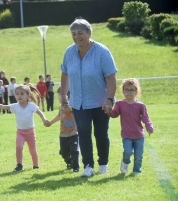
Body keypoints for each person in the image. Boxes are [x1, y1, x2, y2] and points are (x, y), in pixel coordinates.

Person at [60, 18, 118, 177]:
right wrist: (63, 93)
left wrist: (109, 99)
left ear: (89, 33)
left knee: (101, 134)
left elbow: (111, 78)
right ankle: (88, 166)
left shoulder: (102, 52)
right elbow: (65, 72)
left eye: (80, 33)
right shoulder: (69, 52)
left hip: (101, 102)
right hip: (78, 103)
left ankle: (103, 164)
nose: (77, 36)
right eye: (73, 33)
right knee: (83, 132)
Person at [0, 84, 47, 172]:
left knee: (32, 150)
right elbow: (3, 107)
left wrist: (44, 120)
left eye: (21, 93)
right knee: (19, 147)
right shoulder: (15, 106)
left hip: (30, 132)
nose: (19, 96)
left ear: (28, 96)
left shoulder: (31, 106)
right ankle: (19, 164)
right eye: (17, 93)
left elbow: (40, 113)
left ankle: (36, 165)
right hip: (20, 132)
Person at [107, 78, 153, 175]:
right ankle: (125, 162)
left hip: (139, 135)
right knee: (127, 152)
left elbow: (146, 118)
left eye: (132, 90)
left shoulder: (140, 105)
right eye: (126, 90)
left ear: (136, 91)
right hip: (126, 135)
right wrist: (109, 111)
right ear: (123, 91)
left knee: (138, 155)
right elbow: (115, 114)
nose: (129, 92)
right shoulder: (120, 104)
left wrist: (149, 126)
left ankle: (136, 170)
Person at [44, 87, 80, 172]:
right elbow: (59, 116)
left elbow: (73, 111)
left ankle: (76, 167)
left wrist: (68, 105)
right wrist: (50, 122)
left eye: (60, 95)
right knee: (63, 152)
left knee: (74, 150)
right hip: (63, 134)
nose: (58, 97)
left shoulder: (72, 105)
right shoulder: (61, 107)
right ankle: (69, 162)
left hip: (74, 133)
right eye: (58, 95)